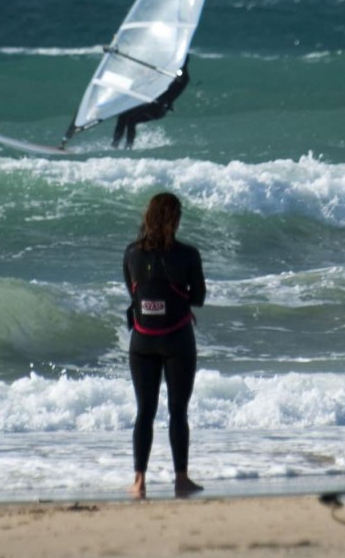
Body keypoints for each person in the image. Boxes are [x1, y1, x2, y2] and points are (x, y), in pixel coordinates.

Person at [123, 191, 206, 498]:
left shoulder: (132, 253)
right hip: (177, 340)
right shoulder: (188, 254)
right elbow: (198, 297)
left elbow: (134, 293)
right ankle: (181, 479)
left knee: (144, 411)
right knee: (177, 412)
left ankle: (139, 481)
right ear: (175, 220)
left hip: (142, 341)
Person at [112, 58, 190, 148]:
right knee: (123, 115)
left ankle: (128, 146)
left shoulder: (182, 76)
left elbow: (179, 78)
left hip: (158, 109)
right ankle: (115, 144)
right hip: (150, 105)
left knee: (131, 119)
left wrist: (177, 70)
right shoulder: (172, 72)